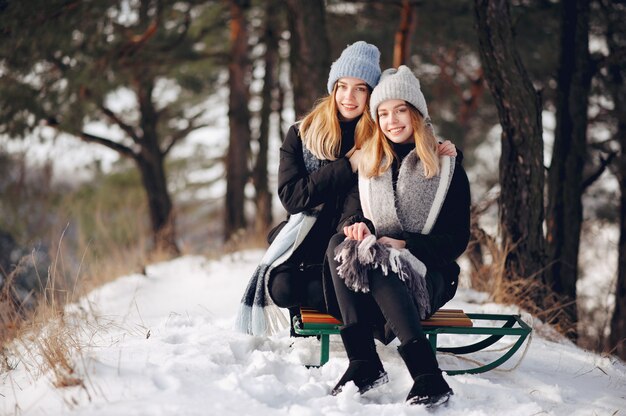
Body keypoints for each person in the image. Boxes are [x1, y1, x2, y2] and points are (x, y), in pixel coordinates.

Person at [235, 41, 456, 338]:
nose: (349, 97)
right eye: (342, 86)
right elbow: (292, 197)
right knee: (282, 287)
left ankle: (367, 317)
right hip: (309, 248)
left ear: (371, 94)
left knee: (350, 275)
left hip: (354, 244)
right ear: (333, 88)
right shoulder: (302, 135)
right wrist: (348, 164)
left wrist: (448, 152)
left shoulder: (380, 134)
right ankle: (372, 313)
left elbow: (415, 145)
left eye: (360, 89)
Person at [325, 65, 471, 408]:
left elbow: (456, 241)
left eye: (400, 110)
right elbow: (350, 214)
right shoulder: (371, 164)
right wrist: (357, 225)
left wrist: (406, 245)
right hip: (376, 277)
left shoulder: (446, 167)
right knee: (339, 245)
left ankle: (426, 375)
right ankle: (363, 363)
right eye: (384, 113)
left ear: (416, 113)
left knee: (381, 260)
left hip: (427, 275)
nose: (392, 121)